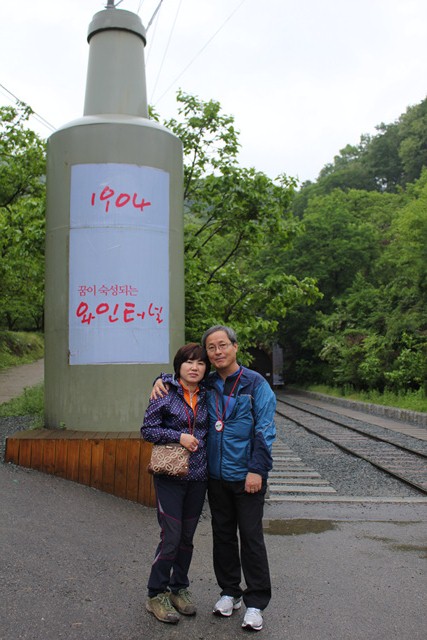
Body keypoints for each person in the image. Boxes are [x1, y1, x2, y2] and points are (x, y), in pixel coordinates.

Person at [152, 325, 276, 632]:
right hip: (215, 476)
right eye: (211, 347)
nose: (217, 352)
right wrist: (160, 379)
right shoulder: (207, 383)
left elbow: (265, 429)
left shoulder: (255, 384)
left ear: (235, 347)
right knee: (222, 536)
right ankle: (230, 592)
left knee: (251, 538)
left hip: (246, 476)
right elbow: (181, 377)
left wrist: (257, 470)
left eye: (223, 345)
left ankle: (256, 602)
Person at [141, 343, 210, 624]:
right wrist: (178, 436)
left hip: (198, 477)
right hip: (169, 477)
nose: (194, 367)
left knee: (186, 538)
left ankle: (179, 588)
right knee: (171, 536)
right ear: (179, 366)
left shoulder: (208, 394)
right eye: (189, 362)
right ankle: (155, 593)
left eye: (200, 363)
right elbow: (147, 429)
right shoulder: (165, 393)